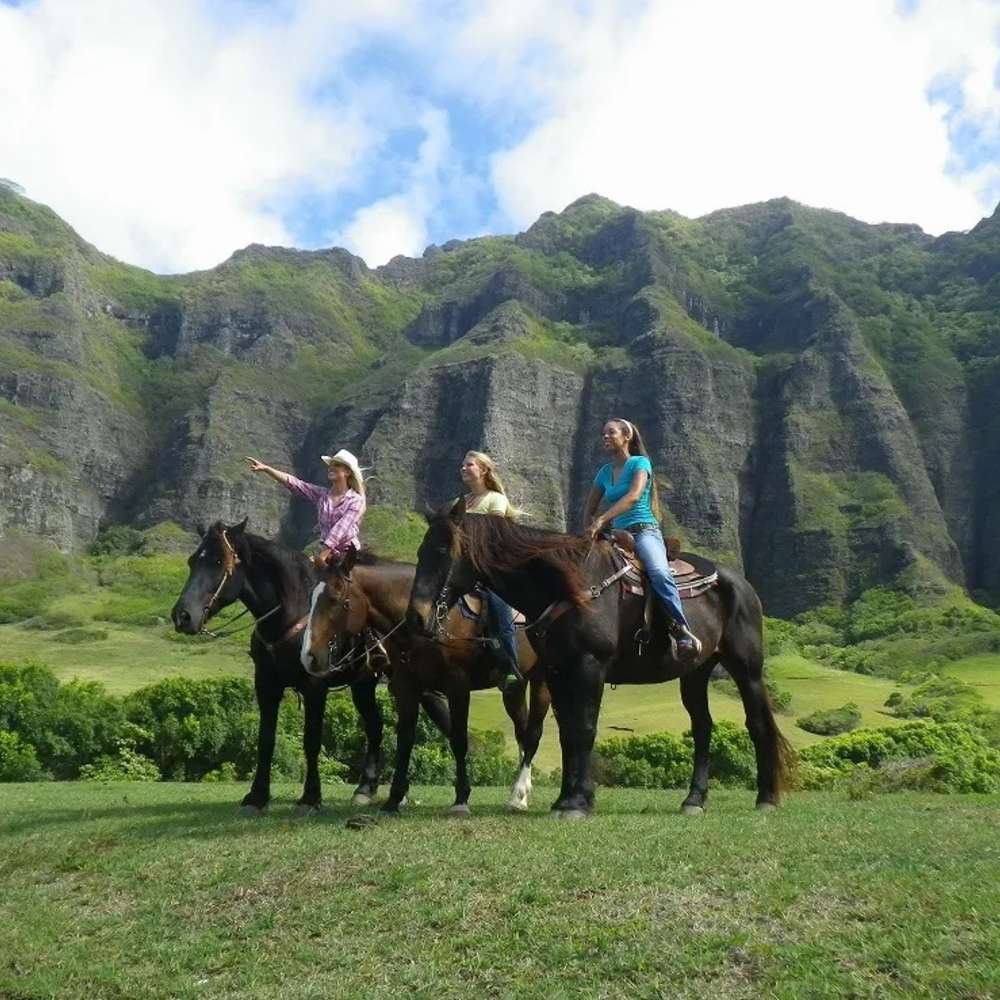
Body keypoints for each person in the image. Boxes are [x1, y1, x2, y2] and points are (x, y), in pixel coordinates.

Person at [584, 419, 702, 658]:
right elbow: (589, 508)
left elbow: (634, 496)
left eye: (611, 432)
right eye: (603, 433)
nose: (605, 436)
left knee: (658, 572)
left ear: (626, 436)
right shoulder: (604, 472)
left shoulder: (640, 463)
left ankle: (682, 631)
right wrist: (590, 527)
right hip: (618, 535)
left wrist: (601, 520)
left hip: (644, 531)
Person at [458, 450, 522, 690]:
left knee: (498, 604)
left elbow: (492, 536)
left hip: (490, 567)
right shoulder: (460, 502)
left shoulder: (496, 500)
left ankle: (510, 666)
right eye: (463, 465)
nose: (463, 468)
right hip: (464, 568)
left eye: (469, 465)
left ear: (483, 470)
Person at [245, 449, 366, 566]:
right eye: (331, 465)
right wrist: (267, 469)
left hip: (348, 557)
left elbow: (339, 530)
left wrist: (321, 557)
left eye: (337, 465)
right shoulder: (323, 495)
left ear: (347, 472)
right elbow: (296, 484)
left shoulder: (355, 501)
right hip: (329, 556)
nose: (331, 467)